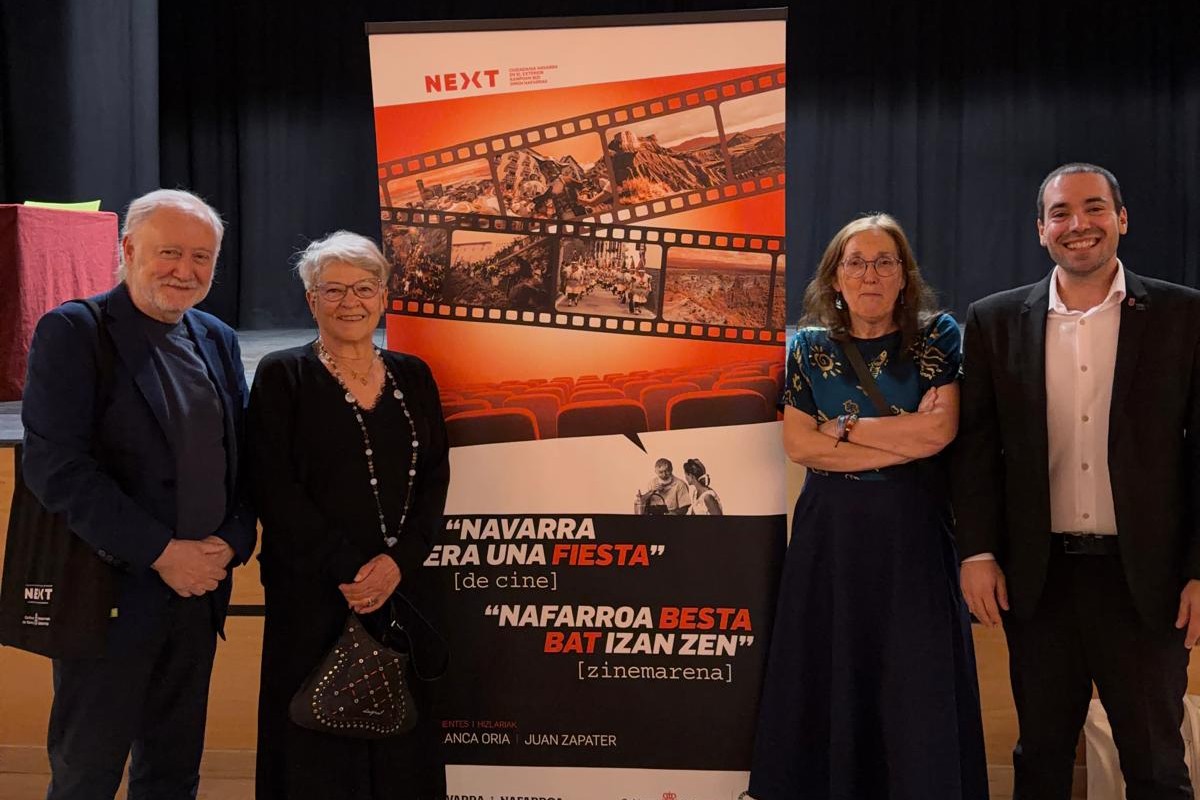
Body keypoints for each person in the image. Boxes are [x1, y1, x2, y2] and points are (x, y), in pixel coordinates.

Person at [954, 163, 1200, 800]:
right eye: (1060, 213)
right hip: (1040, 582)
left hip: (1148, 582)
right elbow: (978, 450)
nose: (1078, 224)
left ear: (1121, 219)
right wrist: (977, 551)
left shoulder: (1184, 315)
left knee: (1155, 765)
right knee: (1040, 758)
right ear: (1041, 230)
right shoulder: (993, 321)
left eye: (1094, 208)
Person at [20, 189, 257, 799]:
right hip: (109, 598)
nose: (186, 270)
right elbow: (56, 468)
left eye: (201, 257)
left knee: (173, 772)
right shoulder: (75, 330)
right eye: (170, 253)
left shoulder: (217, 338)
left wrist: (229, 544)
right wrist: (163, 553)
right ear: (128, 250)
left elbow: (242, 462)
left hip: (198, 597)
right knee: (87, 773)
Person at [749, 213, 988, 800]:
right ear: (835, 278)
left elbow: (940, 434)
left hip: (913, 537)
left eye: (885, 262)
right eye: (855, 262)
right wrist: (899, 434)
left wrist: (845, 428)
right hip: (831, 538)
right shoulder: (806, 347)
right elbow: (800, 445)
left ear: (904, 277)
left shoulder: (938, 334)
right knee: (830, 672)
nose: (870, 275)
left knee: (914, 680)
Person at [249, 230, 450, 800]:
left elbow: (436, 478)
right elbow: (273, 487)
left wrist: (396, 565)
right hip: (314, 590)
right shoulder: (282, 374)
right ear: (311, 300)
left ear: (384, 295)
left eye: (364, 288)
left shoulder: (415, 374)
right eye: (332, 289)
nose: (350, 302)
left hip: (402, 587)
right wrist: (353, 572)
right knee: (313, 749)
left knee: (401, 747)